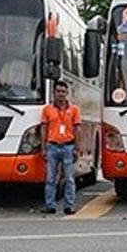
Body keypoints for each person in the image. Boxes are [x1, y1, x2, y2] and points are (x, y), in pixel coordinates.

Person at [41, 80, 81, 215]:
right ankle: (50, 205)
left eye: (63, 92)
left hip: (68, 147)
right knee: (50, 178)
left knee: (69, 178)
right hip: (52, 147)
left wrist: (77, 148)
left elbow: (77, 130)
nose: (60, 94)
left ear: (67, 93)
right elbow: (43, 128)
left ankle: (69, 206)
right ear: (54, 93)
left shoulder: (74, 110)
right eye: (58, 91)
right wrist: (43, 148)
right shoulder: (47, 109)